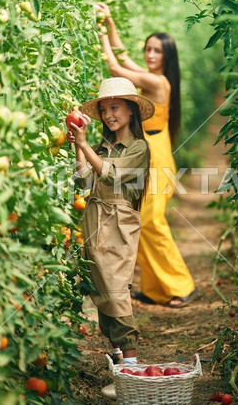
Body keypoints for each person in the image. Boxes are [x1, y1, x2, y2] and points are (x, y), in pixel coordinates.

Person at [95, 2, 197, 308]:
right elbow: (124, 58)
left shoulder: (158, 82)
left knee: (152, 221)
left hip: (157, 157)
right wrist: (111, 25)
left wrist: (100, 35)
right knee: (142, 219)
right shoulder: (154, 77)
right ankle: (155, 289)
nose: (150, 55)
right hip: (150, 152)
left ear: (167, 57)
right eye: (148, 49)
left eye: (157, 51)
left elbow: (116, 69)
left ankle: (181, 285)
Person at [66, 77, 154, 381]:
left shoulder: (139, 147)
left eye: (114, 108)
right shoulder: (101, 147)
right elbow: (84, 182)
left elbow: (110, 174)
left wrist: (82, 146)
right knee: (101, 288)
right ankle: (118, 362)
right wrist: (80, 147)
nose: (108, 115)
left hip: (118, 223)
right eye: (103, 110)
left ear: (131, 110)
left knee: (116, 291)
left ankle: (130, 369)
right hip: (94, 219)